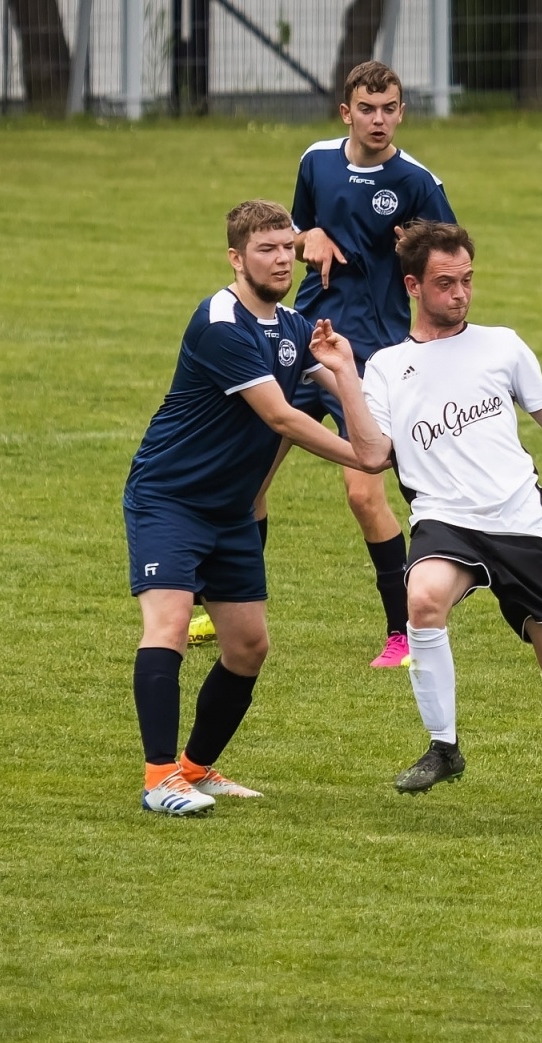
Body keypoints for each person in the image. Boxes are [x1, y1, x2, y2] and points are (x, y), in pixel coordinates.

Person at [310, 221, 542, 825]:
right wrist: (344, 376)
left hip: (519, 518)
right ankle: (444, 747)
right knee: (422, 598)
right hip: (444, 518)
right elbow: (371, 455)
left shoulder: (503, 346)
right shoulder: (385, 366)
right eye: (445, 283)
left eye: (467, 280)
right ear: (413, 286)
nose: (460, 293)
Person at [124, 199, 382, 816]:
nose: (280, 259)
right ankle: (159, 779)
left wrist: (348, 374)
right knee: (168, 627)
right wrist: (362, 457)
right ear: (236, 258)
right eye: (265, 250)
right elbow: (281, 416)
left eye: (287, 248)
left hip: (231, 510)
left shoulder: (293, 326)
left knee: (247, 647)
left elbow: (353, 384)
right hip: (171, 499)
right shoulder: (220, 324)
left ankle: (194, 769)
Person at [199, 60, 458, 669]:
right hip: (300, 341)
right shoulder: (315, 160)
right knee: (248, 481)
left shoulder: (418, 181)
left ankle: (403, 633)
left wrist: (410, 261)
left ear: (401, 111)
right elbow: (291, 230)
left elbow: (448, 264)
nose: (378, 119)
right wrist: (304, 234)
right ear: (347, 112)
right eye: (366, 109)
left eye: (389, 108)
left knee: (362, 493)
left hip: (369, 356)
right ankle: (230, 609)